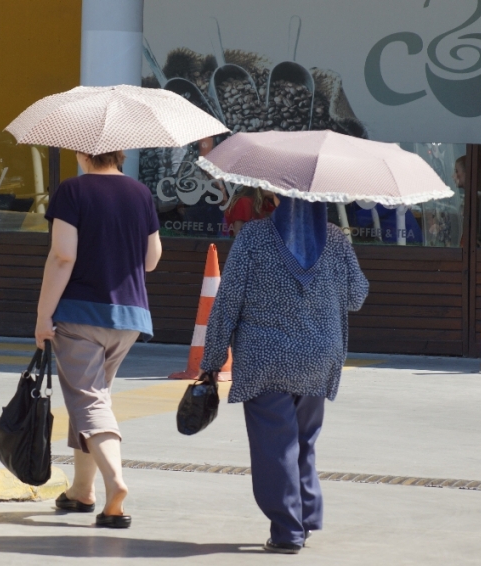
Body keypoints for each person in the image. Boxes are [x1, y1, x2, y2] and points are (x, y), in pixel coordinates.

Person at [199, 195, 369, 554]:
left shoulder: (253, 238)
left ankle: (287, 529)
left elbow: (227, 303)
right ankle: (305, 518)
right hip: (319, 357)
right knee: (303, 441)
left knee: (275, 445)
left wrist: (212, 361)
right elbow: (356, 296)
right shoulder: (336, 239)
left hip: (266, 360)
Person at [35, 149, 162, 528]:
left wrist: (44, 315)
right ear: (120, 154)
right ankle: (81, 491)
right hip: (129, 316)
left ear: (81, 152)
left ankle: (115, 485)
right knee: (91, 398)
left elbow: (62, 257)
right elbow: (152, 258)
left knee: (87, 400)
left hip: (79, 315)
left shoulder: (71, 192)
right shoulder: (140, 193)